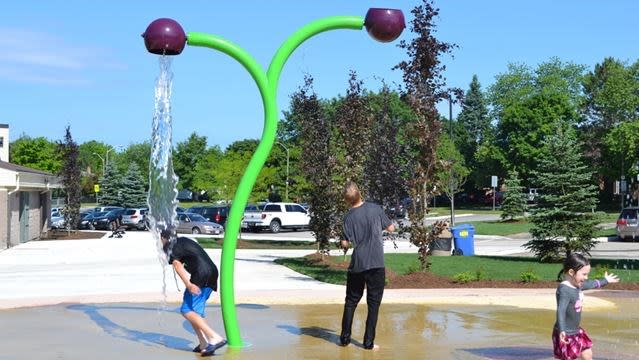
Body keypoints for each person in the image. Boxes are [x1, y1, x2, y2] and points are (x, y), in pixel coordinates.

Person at [339, 181, 395, 351]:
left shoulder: (348, 217)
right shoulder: (375, 209)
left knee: (351, 301)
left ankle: (344, 339)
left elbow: (345, 243)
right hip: (376, 264)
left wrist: (345, 245)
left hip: (357, 264)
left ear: (347, 200)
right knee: (373, 304)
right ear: (360, 193)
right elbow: (391, 228)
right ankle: (368, 343)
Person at [160, 228, 226, 356]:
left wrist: (189, 285)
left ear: (164, 238)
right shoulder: (183, 241)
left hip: (201, 276)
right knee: (195, 312)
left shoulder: (170, 245)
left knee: (186, 310)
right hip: (211, 273)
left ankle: (214, 337)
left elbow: (177, 265)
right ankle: (204, 343)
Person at [553, 252, 619, 360]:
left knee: (587, 352)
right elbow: (561, 310)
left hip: (576, 330)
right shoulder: (564, 290)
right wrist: (562, 330)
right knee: (568, 357)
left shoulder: (576, 284)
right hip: (565, 333)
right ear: (571, 272)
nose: (586, 277)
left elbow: (591, 283)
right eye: (584, 274)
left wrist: (605, 280)